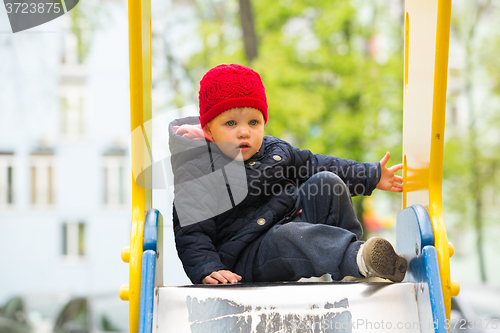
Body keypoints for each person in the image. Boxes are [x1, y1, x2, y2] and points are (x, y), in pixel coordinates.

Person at [169, 63, 407, 285]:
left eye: (253, 122)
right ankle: (355, 259)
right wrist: (207, 268)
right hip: (245, 259)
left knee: (327, 182)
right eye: (231, 124)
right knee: (287, 236)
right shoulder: (197, 169)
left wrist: (371, 175)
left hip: (287, 225)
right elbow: (192, 231)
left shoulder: (274, 150)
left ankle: (357, 261)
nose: (244, 132)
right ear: (209, 128)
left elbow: (320, 164)